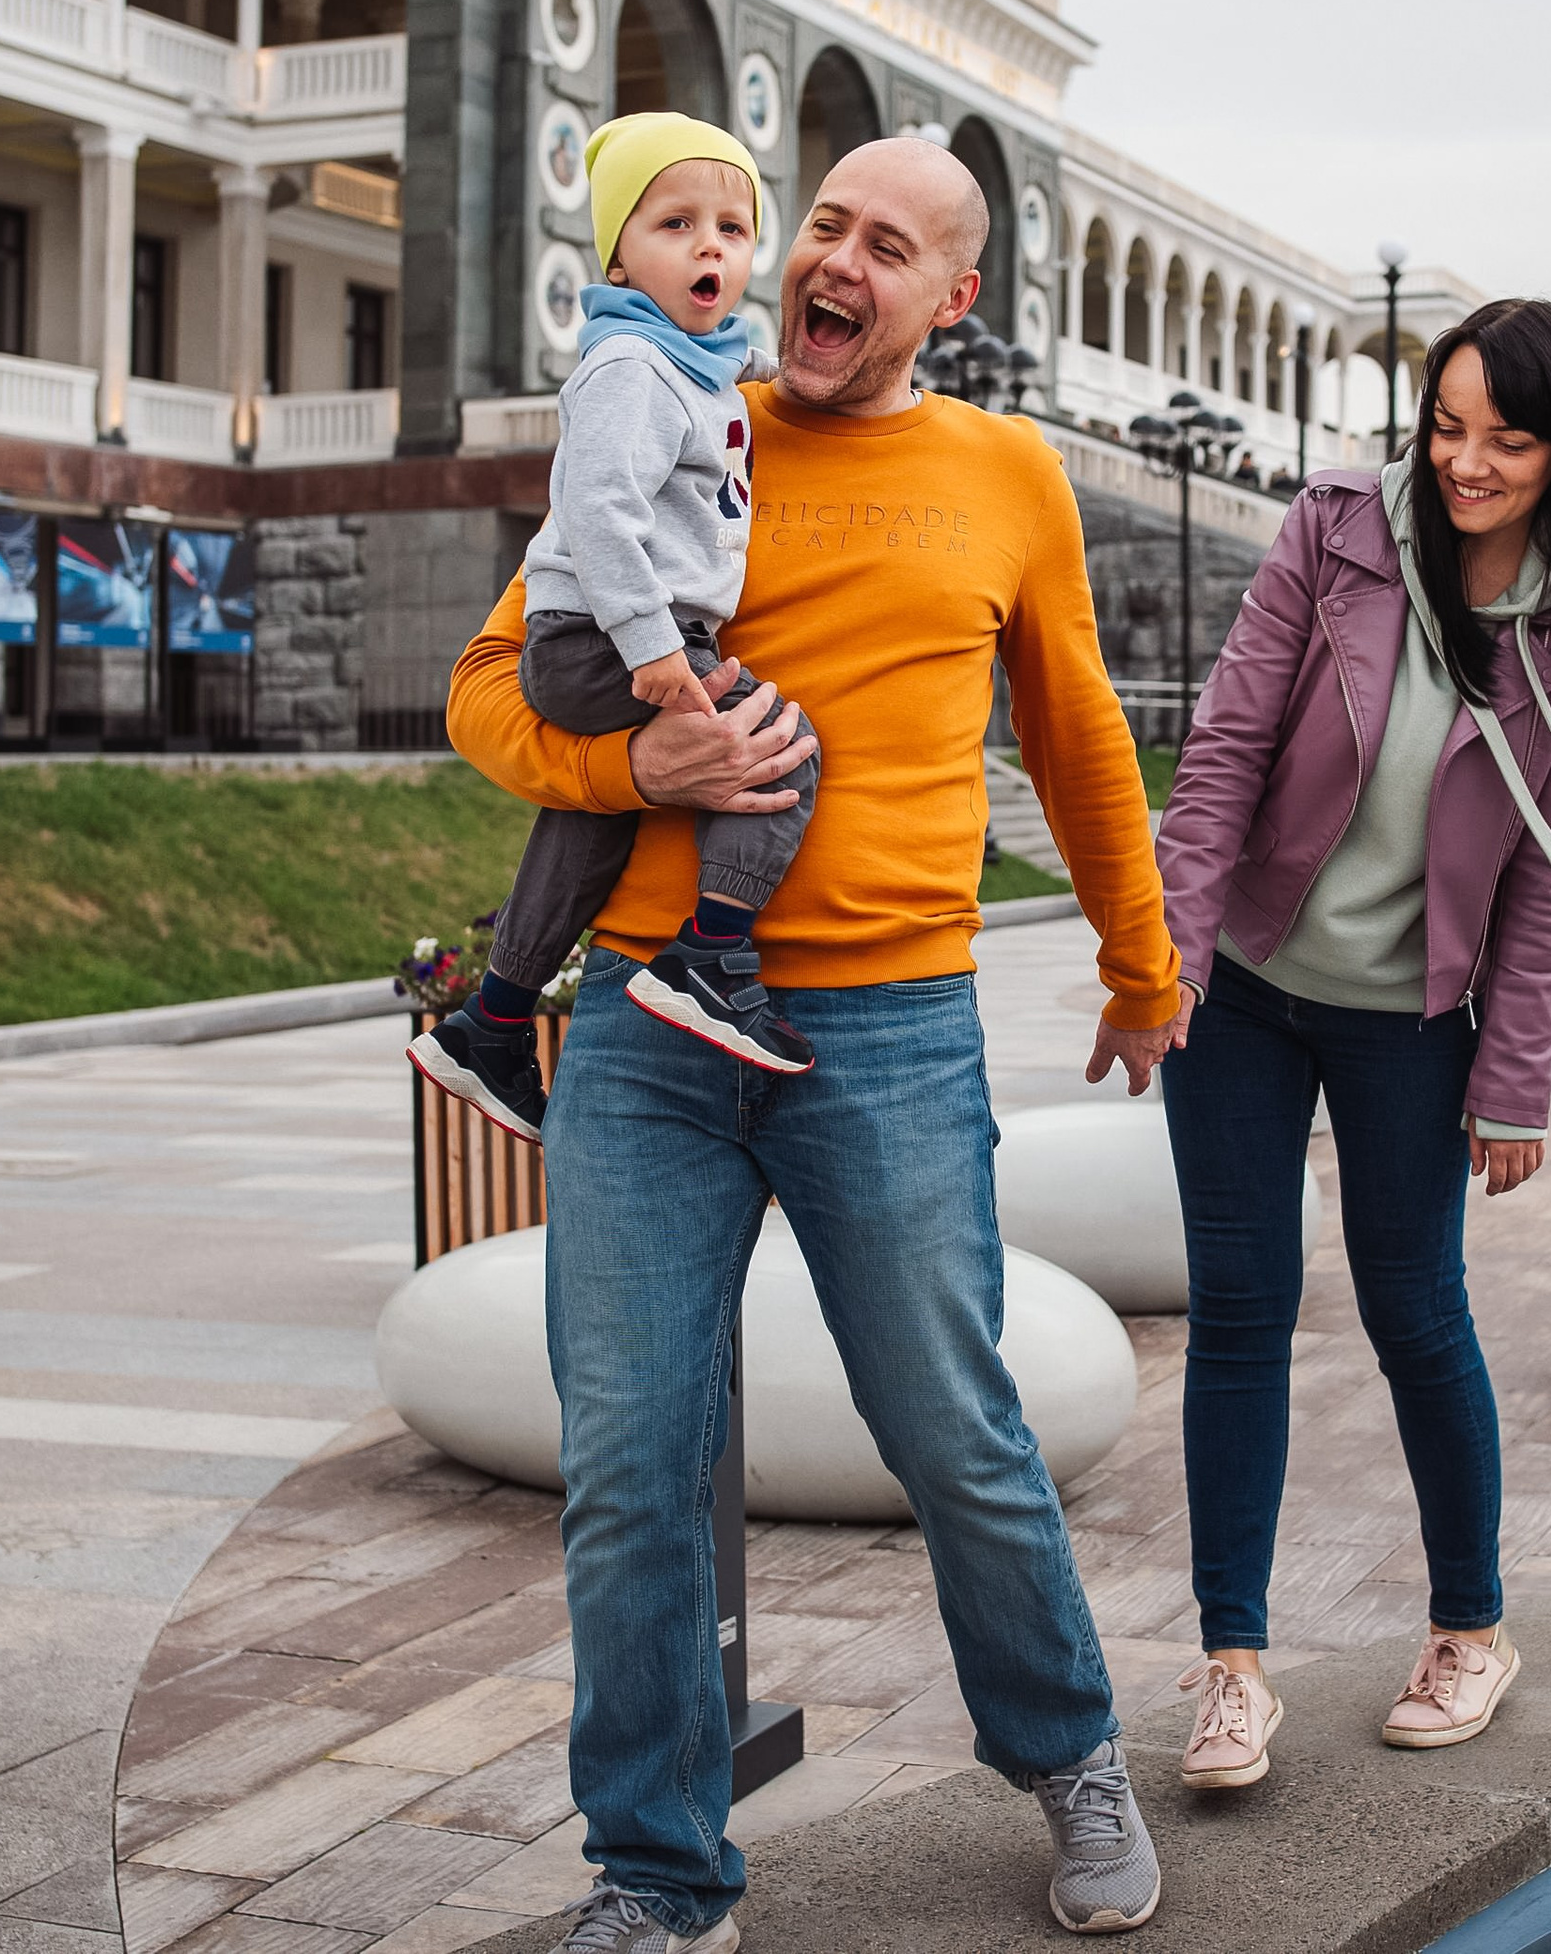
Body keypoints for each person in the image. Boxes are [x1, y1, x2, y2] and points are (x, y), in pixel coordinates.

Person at [447, 136, 1184, 1952]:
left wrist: (1141, 957)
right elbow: (489, 686)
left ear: (954, 298)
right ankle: (661, 1873)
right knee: (628, 1460)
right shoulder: (677, 414)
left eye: (889, 245)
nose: (834, 259)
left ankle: (1071, 1752)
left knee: (953, 1429)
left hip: (888, 1031)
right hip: (646, 1027)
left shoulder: (1009, 472)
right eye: (823, 226)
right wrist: (641, 768)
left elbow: (1081, 736)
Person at [1152, 297, 1551, 1791]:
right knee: (1238, 1313)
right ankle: (1232, 1667)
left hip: (1414, 1024)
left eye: (1506, 440)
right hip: (1243, 994)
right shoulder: (1336, 533)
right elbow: (1227, 754)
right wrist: (1168, 962)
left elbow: (1548, 879)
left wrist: (1515, 1081)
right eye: (1447, 428)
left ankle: (1470, 1630)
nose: (1465, 463)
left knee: (1416, 1316)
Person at [413, 115, 821, 1138]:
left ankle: (491, 1024)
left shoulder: (693, 362)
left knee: (597, 812)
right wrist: (651, 651)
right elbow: (596, 515)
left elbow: (743, 380)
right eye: (676, 223)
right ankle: (712, 955)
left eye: (733, 227)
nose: (710, 247)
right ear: (619, 255)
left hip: (607, 631)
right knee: (773, 745)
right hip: (604, 634)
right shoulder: (630, 368)